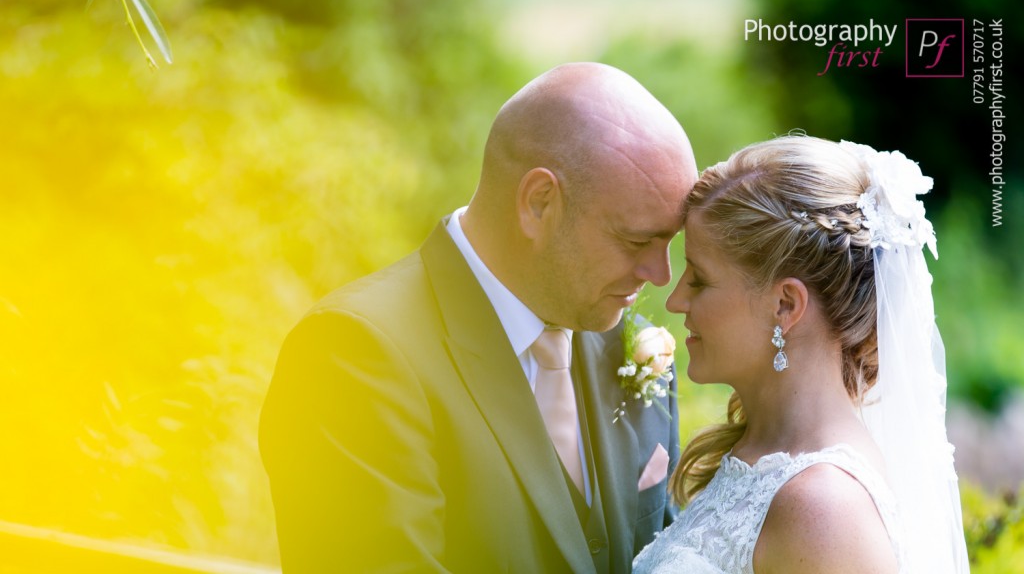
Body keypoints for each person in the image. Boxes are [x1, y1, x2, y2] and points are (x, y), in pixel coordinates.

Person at [259, 62, 698, 573]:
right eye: (636, 240)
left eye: (670, 243)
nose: (661, 274)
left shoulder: (632, 348)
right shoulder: (353, 355)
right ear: (538, 204)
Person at [632, 135, 969, 573]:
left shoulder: (825, 509)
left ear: (786, 305)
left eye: (699, 279)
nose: (675, 300)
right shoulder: (765, 451)